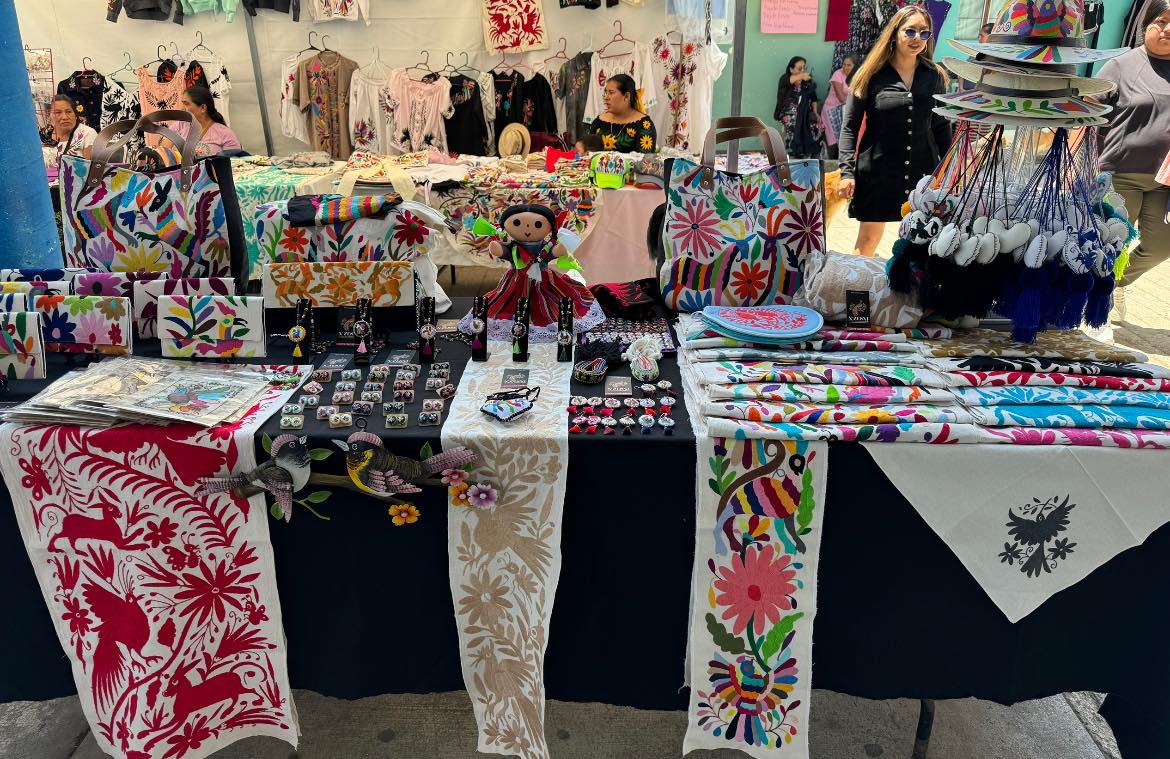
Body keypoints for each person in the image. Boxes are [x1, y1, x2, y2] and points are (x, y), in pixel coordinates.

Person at [837, 5, 952, 257]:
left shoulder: (934, 76)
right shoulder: (870, 74)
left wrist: (950, 170)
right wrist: (846, 172)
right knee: (867, 242)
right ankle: (859, 284)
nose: (917, 38)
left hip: (923, 173)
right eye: (910, 31)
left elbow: (941, 126)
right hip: (878, 172)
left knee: (921, 243)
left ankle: (908, 284)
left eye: (924, 33)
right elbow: (850, 127)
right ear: (894, 32)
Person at [1097, 0, 1170, 289]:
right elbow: (1091, 115)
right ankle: (1096, 299)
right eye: (1162, 21)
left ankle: (1110, 286)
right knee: (1111, 243)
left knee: (1161, 246)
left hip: (1164, 181)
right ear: (1146, 23)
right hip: (1121, 175)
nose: (1168, 29)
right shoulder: (1120, 65)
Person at [166, 86, 241, 158]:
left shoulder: (225, 134)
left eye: (186, 104)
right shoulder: (179, 126)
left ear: (203, 108)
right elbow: (164, 154)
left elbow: (235, 163)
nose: (182, 108)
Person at [587, 74, 657, 152]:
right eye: (606, 93)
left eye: (611, 93)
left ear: (626, 96)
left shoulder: (645, 125)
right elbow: (587, 152)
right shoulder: (599, 121)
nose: (606, 97)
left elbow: (646, 159)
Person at [773, 57, 821, 159]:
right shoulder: (785, 79)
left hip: (805, 111)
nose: (803, 70)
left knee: (816, 125)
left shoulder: (807, 82)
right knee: (794, 121)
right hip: (787, 112)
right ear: (791, 69)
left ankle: (808, 152)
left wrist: (815, 112)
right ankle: (793, 152)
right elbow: (791, 80)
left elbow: (814, 98)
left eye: (804, 68)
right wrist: (802, 75)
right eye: (800, 68)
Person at [43, 95, 96, 181]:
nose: (64, 117)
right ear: (50, 116)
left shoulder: (87, 133)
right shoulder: (43, 135)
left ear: (75, 115)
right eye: (58, 112)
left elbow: (90, 171)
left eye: (68, 112)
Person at [822, 54, 857, 159]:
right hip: (832, 110)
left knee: (844, 139)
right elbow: (841, 97)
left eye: (849, 65)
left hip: (845, 110)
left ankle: (840, 162)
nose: (845, 67)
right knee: (833, 140)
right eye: (844, 64)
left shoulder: (857, 76)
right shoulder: (838, 74)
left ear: (855, 66)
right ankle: (829, 162)